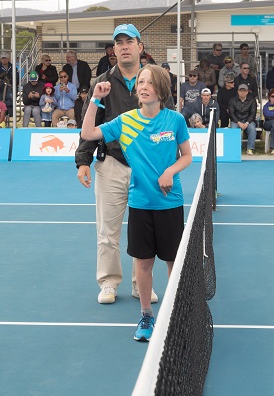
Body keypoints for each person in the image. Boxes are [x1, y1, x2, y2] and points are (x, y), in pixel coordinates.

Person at [80, 63, 191, 341]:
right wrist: (95, 99)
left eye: (148, 82)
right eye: (140, 82)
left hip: (170, 203)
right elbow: (88, 134)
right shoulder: (125, 121)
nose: (142, 87)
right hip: (140, 204)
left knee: (173, 262)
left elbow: (187, 156)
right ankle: (146, 316)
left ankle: (177, 313)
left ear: (161, 90)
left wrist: (170, 171)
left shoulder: (175, 120)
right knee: (143, 263)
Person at [76, 24, 171, 305]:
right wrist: (83, 161)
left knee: (144, 229)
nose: (124, 46)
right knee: (107, 230)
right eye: (119, 42)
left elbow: (166, 120)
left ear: (141, 47)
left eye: (130, 41)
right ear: (114, 50)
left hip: (147, 168)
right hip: (112, 164)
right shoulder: (102, 82)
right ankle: (108, 282)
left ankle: (139, 283)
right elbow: (89, 123)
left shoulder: (155, 79)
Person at [229, 84, 257, 155]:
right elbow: (231, 113)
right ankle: (236, 148)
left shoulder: (252, 100)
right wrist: (238, 122)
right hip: (236, 121)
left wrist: (247, 122)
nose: (242, 92)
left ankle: (250, 149)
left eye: (244, 91)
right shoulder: (232, 100)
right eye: (240, 91)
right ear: (238, 91)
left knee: (252, 129)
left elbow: (253, 113)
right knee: (234, 128)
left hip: (248, 120)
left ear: (247, 92)